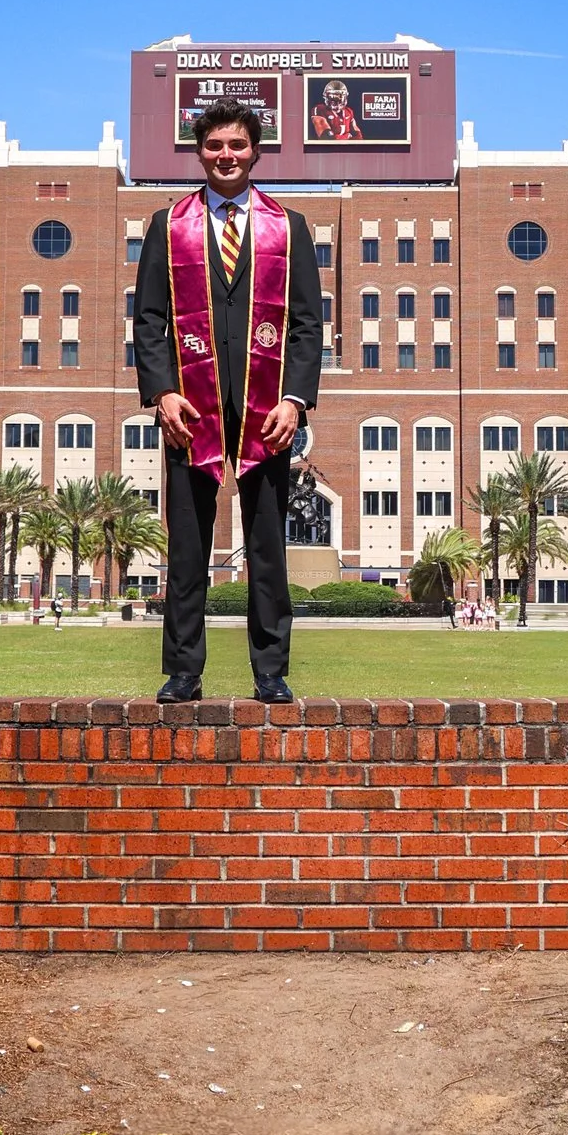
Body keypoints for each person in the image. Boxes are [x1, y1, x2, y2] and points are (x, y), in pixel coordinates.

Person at [131, 95, 325, 702]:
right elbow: (150, 319)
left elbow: (305, 325)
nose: (226, 156)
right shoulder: (169, 224)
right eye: (214, 145)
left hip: (268, 414)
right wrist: (162, 392)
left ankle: (271, 671)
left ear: (255, 152)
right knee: (187, 547)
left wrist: (294, 399)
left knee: (268, 549)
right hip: (192, 409)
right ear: (199, 152)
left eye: (237, 145)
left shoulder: (287, 227)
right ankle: (184, 670)